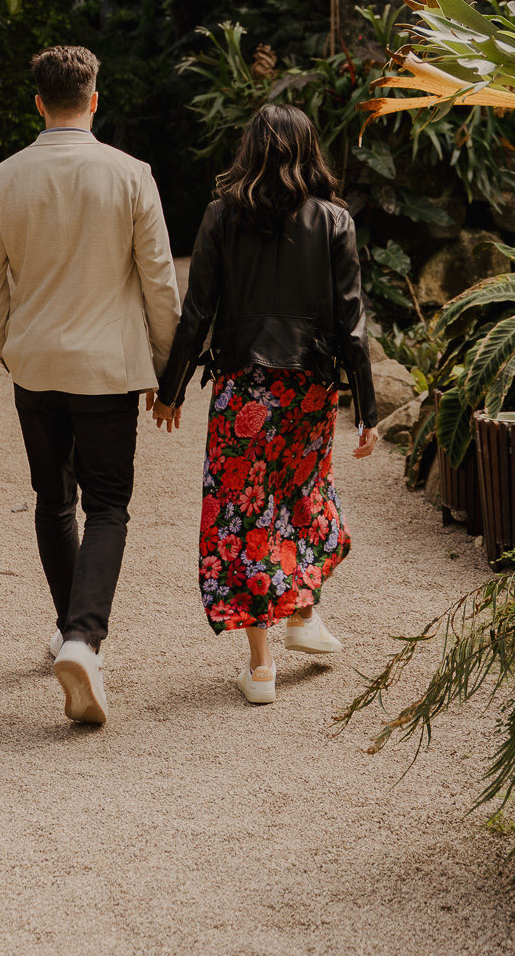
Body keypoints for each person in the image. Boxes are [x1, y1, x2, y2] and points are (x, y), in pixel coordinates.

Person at [0, 44, 181, 730]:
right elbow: (159, 280)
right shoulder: (131, 175)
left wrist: (7, 348)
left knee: (53, 499)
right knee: (108, 504)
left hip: (34, 365)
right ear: (93, 99)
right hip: (107, 370)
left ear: (39, 103)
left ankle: (70, 632)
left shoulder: (2, 179)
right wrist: (166, 366)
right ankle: (84, 638)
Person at [152, 103, 378, 705]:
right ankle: (303, 615)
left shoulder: (221, 216)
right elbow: (352, 321)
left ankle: (261, 667)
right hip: (309, 389)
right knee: (304, 495)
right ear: (309, 150)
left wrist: (172, 389)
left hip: (244, 390)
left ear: (249, 150)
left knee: (244, 512)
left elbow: (197, 311)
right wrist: (368, 409)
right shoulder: (335, 219)